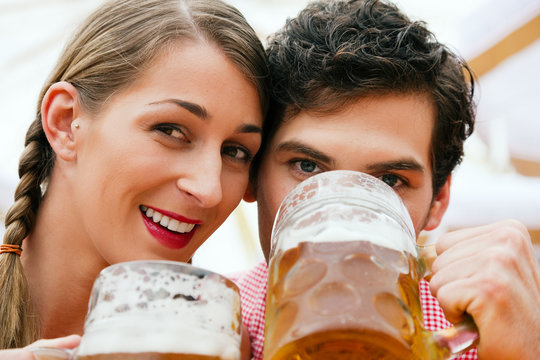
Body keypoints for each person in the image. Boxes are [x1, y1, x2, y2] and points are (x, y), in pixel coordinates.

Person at [233, 0, 540, 359]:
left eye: (389, 180)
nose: (344, 220)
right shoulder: (197, 330)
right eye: (308, 167)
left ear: (437, 201)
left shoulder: (497, 336)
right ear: (252, 176)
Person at [0, 0, 269, 355]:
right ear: (65, 122)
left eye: (235, 151)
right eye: (171, 130)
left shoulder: (226, 340)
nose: (209, 189)